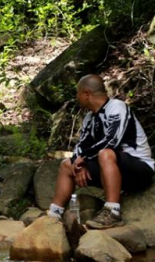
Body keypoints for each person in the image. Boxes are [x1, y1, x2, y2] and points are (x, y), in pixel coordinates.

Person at [48, 74, 154, 229]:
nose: (77, 98)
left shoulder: (117, 107)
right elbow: (81, 146)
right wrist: (79, 163)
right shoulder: (89, 118)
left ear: (86, 94)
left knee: (106, 153)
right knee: (66, 165)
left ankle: (112, 212)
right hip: (110, 169)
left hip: (139, 168)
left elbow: (112, 141)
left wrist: (83, 158)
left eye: (78, 93)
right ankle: (53, 215)